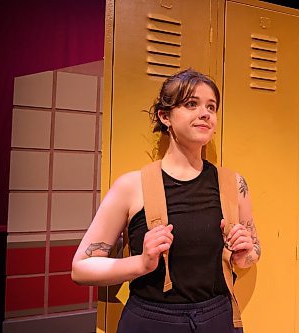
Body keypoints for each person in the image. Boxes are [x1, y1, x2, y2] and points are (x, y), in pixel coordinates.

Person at [72, 69, 261, 333]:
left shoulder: (234, 184)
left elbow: (253, 254)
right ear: (165, 116)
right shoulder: (131, 186)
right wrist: (141, 263)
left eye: (211, 106)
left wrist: (244, 254)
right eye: (191, 104)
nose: (205, 113)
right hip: (152, 320)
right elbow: (81, 269)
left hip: (218, 318)